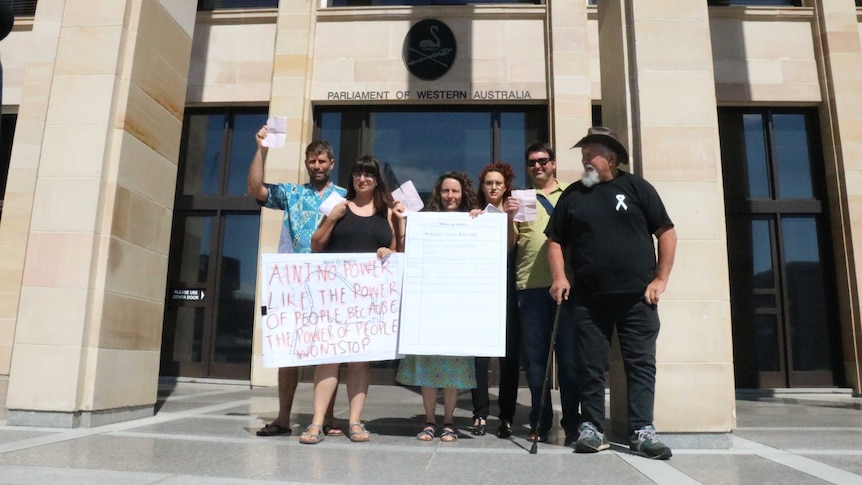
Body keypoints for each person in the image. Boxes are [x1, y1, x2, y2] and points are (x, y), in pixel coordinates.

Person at [545, 126, 677, 460]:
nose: (585, 160)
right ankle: (591, 428)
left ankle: (642, 431)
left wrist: (660, 279)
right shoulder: (573, 195)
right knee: (589, 366)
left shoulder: (636, 187)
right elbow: (556, 239)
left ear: (612, 158)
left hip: (638, 298)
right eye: (583, 154)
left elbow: (666, 232)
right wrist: (559, 277)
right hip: (589, 299)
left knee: (640, 365)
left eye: (591, 154)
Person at [247, 126, 345, 438]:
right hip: (293, 284)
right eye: (312, 161)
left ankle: (326, 417)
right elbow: (256, 190)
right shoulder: (292, 193)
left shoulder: (345, 196)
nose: (317, 166)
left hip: (330, 284)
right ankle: (283, 417)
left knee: (328, 353)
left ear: (332, 163)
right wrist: (262, 149)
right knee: (289, 353)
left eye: (322, 161)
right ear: (307, 164)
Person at [301, 155, 402, 444]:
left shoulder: (388, 213)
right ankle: (316, 422)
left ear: (376, 179)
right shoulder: (338, 207)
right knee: (329, 360)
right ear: (352, 178)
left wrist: (390, 251)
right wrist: (331, 219)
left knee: (359, 362)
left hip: (368, 300)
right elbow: (316, 244)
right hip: (334, 297)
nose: (363, 179)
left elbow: (395, 249)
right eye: (358, 173)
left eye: (369, 174)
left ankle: (355, 422)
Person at [396, 171, 478, 442]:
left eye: (455, 191)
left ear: (463, 193)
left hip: (459, 306)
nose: (450, 196)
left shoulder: (473, 221)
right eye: (445, 191)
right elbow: (408, 250)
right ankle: (430, 420)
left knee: (454, 365)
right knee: (428, 362)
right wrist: (402, 226)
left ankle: (450, 421)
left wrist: (482, 223)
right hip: (429, 304)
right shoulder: (425, 222)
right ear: (438, 194)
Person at [514, 142, 580, 443]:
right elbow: (510, 244)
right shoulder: (519, 200)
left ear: (553, 164)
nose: (537, 166)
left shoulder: (572, 193)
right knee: (536, 363)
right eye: (531, 163)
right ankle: (539, 422)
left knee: (568, 361)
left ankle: (572, 422)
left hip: (567, 286)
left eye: (543, 161)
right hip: (530, 287)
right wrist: (505, 217)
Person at [469, 163, 520, 437]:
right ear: (482, 186)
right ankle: (480, 413)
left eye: (498, 183)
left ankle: (506, 416)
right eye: (489, 182)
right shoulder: (476, 215)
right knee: (480, 357)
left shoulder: (514, 213)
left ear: (506, 186)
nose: (493, 187)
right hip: (481, 292)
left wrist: (508, 218)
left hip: (509, 290)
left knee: (508, 357)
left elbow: (511, 246)